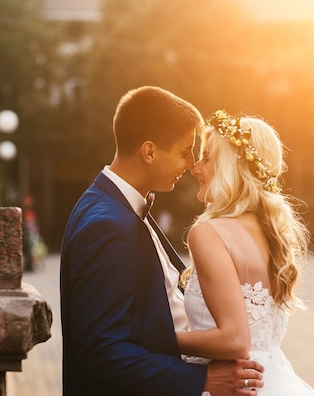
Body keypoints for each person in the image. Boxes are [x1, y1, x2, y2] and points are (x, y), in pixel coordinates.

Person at [60, 88, 264, 396]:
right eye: (185, 152)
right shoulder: (106, 225)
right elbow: (99, 351)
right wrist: (203, 380)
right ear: (150, 151)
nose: (191, 164)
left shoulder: (122, 208)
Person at [177, 110, 314, 396]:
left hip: (234, 385)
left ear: (230, 166)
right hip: (273, 380)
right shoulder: (273, 234)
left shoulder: (208, 233)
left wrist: (157, 339)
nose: (195, 168)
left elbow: (235, 340)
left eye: (207, 157)